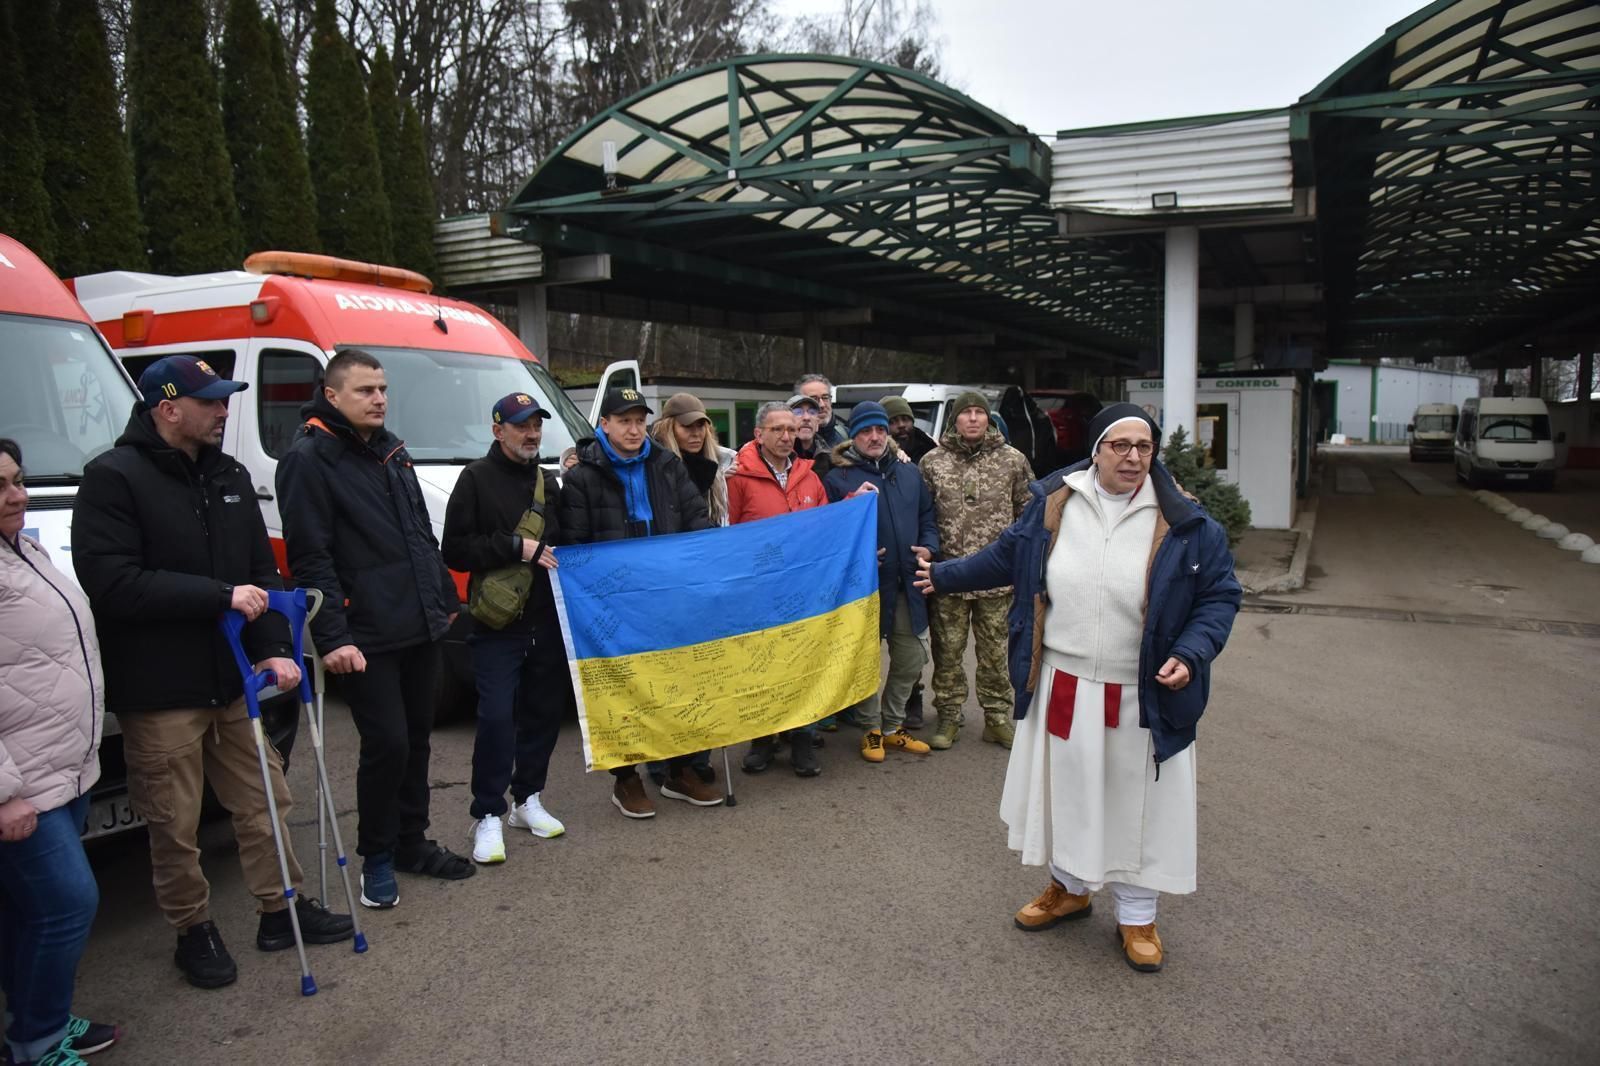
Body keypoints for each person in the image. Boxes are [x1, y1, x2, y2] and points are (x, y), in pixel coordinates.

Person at [914, 403, 1241, 973]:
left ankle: (1137, 917)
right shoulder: (1054, 506)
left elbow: (1219, 596)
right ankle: (1068, 889)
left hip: (1142, 692)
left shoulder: (1184, 520)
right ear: (1096, 449)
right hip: (1064, 682)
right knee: (1067, 794)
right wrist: (942, 574)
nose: (1134, 457)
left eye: (1144, 447)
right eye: (1121, 445)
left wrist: (1191, 653)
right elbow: (1007, 557)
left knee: (1138, 807)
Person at [71, 357, 353, 990]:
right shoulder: (112, 479)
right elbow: (114, 584)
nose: (225, 410)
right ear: (167, 409)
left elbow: (262, 570)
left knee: (266, 800)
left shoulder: (227, 474)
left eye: (225, 398)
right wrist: (217, 595)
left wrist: (276, 645)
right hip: (161, 689)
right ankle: (192, 929)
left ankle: (280, 909)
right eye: (212, 401)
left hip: (234, 680)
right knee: (173, 820)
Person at [276, 348, 473, 909]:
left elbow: (417, 534)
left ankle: (413, 841)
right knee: (386, 745)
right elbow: (311, 558)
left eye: (382, 389)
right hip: (365, 635)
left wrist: (442, 596)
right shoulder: (309, 461)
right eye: (366, 390)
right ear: (332, 395)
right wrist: (333, 638)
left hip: (417, 624)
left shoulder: (392, 451)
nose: (379, 399)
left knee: (416, 742)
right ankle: (377, 857)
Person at [0, 440, 122, 1065]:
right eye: (0, 487)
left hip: (59, 765)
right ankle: (37, 1041)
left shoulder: (25, 548)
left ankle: (35, 1020)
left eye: (17, 481)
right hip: (20, 781)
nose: (17, 495)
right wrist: (3, 791)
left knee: (28, 912)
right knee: (68, 904)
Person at [559, 387, 720, 817]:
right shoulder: (581, 477)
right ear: (605, 424)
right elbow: (574, 546)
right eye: (623, 420)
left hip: (668, 598)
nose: (633, 429)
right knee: (622, 690)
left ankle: (679, 770)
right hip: (613, 604)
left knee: (679, 683)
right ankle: (626, 779)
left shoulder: (667, 465)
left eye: (638, 420)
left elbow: (695, 523)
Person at [441, 393, 568, 866]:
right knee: (496, 717)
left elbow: (567, 541)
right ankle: (488, 812)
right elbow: (453, 549)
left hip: (546, 622)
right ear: (498, 431)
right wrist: (514, 547)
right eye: (521, 426)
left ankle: (528, 797)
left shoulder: (548, 481)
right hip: (496, 626)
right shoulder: (474, 479)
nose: (531, 433)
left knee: (542, 714)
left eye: (536, 425)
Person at [822, 401, 938, 763]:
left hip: (908, 581)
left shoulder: (909, 471)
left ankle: (893, 725)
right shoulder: (837, 477)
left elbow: (928, 517)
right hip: (865, 585)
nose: (874, 437)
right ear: (853, 436)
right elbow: (826, 533)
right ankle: (870, 726)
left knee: (911, 655)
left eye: (880, 430)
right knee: (864, 657)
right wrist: (854, 556)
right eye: (865, 431)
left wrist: (930, 548)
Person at [917, 391, 1033, 750]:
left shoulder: (1012, 460)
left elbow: (1027, 512)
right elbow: (923, 515)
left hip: (997, 577)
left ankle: (997, 716)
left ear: (988, 418)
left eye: (978, 412)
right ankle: (949, 714)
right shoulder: (932, 462)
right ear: (954, 419)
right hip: (948, 575)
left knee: (996, 651)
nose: (972, 418)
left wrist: (1024, 564)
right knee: (947, 651)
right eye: (965, 412)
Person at [726, 402, 828, 777]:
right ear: (759, 435)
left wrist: (855, 506)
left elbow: (825, 528)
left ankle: (802, 738)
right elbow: (728, 536)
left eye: (791, 429)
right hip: (758, 594)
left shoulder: (809, 477)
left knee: (802, 666)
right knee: (761, 669)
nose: (787, 436)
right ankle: (763, 740)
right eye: (777, 430)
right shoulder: (737, 478)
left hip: (802, 593)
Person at [643, 392, 729, 788]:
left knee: (704, 671)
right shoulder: (655, 464)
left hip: (701, 575)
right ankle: (663, 760)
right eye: (686, 426)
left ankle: (698, 755)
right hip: (664, 581)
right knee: (667, 676)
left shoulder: (713, 465)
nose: (695, 433)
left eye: (701, 426)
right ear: (669, 426)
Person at [796, 373, 847, 448]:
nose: (821, 405)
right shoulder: (788, 442)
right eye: (813, 399)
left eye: (825, 397)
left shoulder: (846, 436)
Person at [883, 396, 936, 463]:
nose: (901, 425)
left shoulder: (930, 449)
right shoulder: (877, 457)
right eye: (892, 422)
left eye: (905, 419)